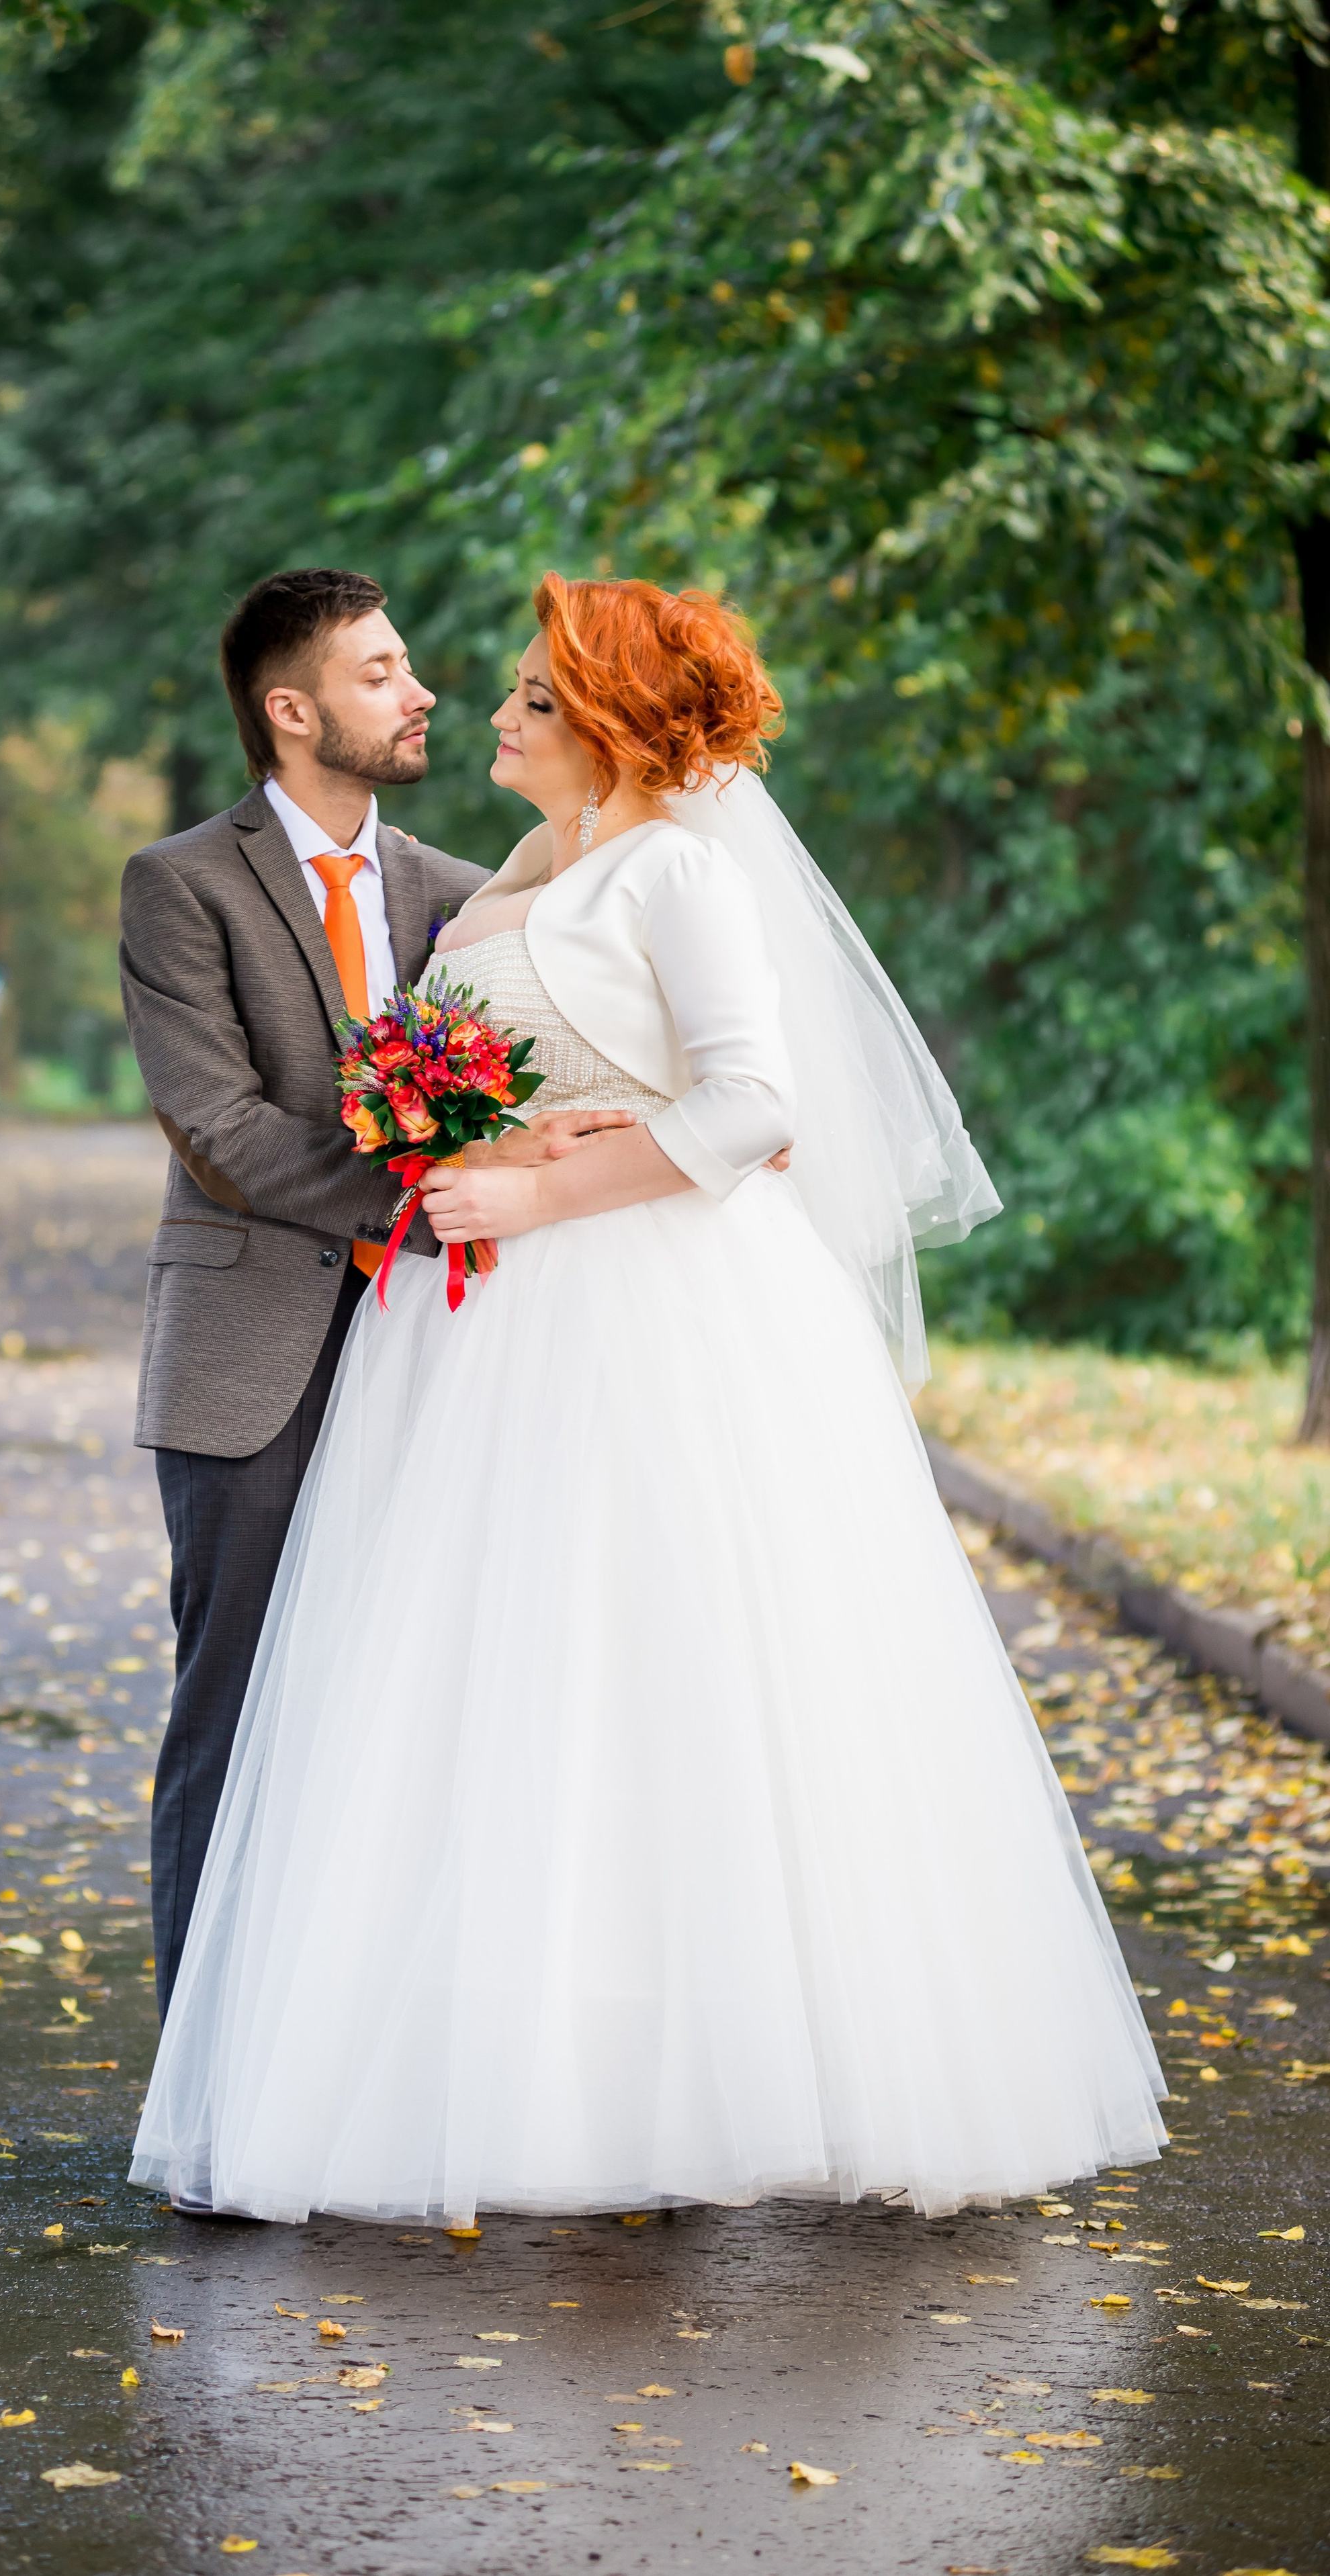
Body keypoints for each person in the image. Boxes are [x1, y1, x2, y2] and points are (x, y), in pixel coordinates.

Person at [128, 574, 1167, 2227]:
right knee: (430, 1712)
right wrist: (463, 1175)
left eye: (529, 695)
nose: (476, 705)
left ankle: (666, 2085)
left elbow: (753, 1099)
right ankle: (320, 2078)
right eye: (416, 676)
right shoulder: (485, 877)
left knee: (652, 1692)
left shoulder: (652, 868)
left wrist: (536, 1190)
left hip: (616, 1318)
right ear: (289, 707)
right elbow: (251, 1117)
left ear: (608, 724)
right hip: (434, 1332)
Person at [119, 569, 630, 2026]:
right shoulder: (181, 886)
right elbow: (218, 1130)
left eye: (408, 666)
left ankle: (364, 2061)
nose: (421, 693)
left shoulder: (466, 893)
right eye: (380, 672)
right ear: (291, 711)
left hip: (450, 1355)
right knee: (234, 1714)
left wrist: (690, 1126)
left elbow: (599, 1017)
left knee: (412, 1717)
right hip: (251, 1359)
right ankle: (208, 2076)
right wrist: (435, 1197)